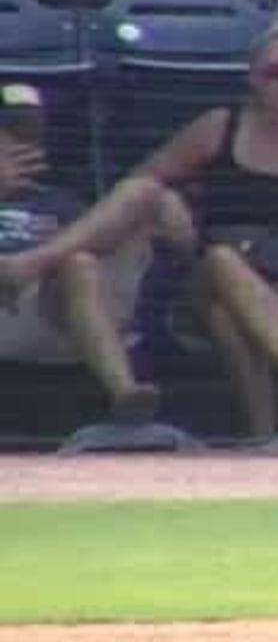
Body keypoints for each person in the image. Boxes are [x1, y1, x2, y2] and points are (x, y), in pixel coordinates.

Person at [6, 21, 278, 437]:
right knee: (216, 257)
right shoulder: (218, 125)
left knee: (226, 315)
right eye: (274, 71)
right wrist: (168, 200)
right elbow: (142, 181)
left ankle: (263, 437)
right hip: (207, 270)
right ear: (253, 78)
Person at [0, 82, 165, 424]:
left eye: (28, 131)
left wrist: (165, 209)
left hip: (52, 307)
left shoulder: (60, 200)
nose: (20, 142)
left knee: (84, 258)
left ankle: (125, 394)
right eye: (9, 131)